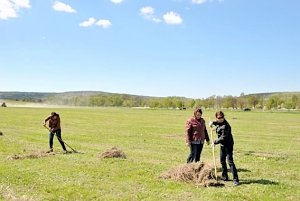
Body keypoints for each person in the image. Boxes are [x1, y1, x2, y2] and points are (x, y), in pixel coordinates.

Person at [209, 111, 239, 186]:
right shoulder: (220, 122)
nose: (220, 119)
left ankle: (236, 180)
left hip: (228, 145)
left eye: (222, 117)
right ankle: (225, 177)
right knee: (222, 160)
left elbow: (223, 137)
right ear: (217, 118)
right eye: (219, 118)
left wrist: (215, 142)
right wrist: (213, 123)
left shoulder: (226, 126)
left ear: (223, 117)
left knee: (230, 161)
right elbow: (218, 123)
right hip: (222, 145)